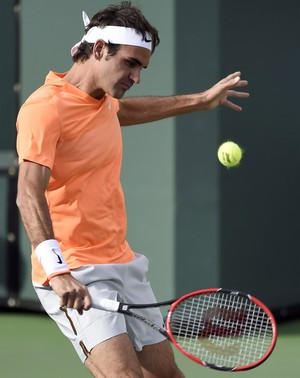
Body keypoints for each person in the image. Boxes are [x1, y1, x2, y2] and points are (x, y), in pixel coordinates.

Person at [16, 2, 249, 377]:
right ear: (99, 49)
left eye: (141, 67)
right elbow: (28, 190)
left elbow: (127, 112)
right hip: (74, 269)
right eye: (130, 63)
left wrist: (200, 101)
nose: (136, 76)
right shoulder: (44, 109)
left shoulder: (104, 102)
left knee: (167, 376)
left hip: (123, 262)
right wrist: (57, 270)